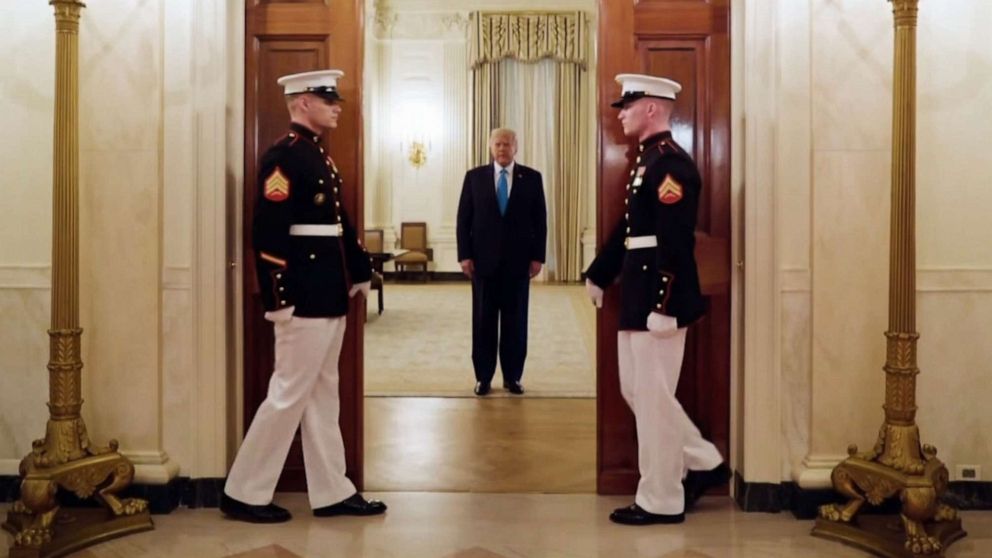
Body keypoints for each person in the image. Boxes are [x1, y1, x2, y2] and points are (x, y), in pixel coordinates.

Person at [221, 69, 386, 523]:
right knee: (288, 393)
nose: (336, 105)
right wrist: (278, 297)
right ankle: (244, 492)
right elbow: (268, 232)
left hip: (329, 291)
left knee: (322, 393)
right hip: (303, 295)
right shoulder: (284, 156)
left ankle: (332, 490)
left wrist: (358, 272)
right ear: (302, 103)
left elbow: (338, 224)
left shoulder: (318, 157)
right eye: (326, 98)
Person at [584, 74, 729, 526]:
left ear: (651, 108)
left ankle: (661, 497)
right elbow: (631, 233)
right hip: (637, 293)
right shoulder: (648, 161)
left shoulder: (670, 165)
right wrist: (599, 274)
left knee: (653, 395)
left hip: (658, 298)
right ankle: (702, 459)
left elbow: (673, 241)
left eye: (627, 105)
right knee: (640, 391)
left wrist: (664, 305)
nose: (621, 113)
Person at [456, 128, 547, 396]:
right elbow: (464, 220)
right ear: (490, 147)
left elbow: (539, 221)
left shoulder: (531, 178)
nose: (502, 148)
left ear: (515, 147)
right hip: (482, 264)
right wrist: (464, 255)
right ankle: (483, 377)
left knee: (515, 322)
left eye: (507, 144)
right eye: (497, 144)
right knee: (483, 322)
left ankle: (513, 377)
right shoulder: (474, 178)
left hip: (518, 265)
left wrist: (537, 257)